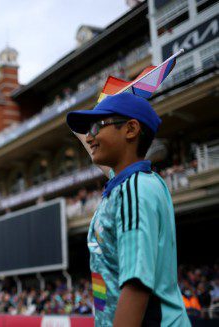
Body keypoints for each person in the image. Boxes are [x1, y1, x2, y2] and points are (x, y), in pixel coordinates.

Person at [66, 93, 189, 326]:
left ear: (131, 129)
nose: (90, 137)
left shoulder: (135, 189)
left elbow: (136, 284)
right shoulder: (128, 183)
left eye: (97, 127)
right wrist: (90, 127)